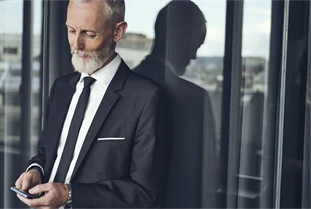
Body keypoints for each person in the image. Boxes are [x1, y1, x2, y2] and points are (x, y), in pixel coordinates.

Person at [14, 0, 171, 209]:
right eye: (71, 30)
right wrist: (35, 170)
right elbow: (46, 152)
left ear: (118, 31)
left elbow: (145, 194)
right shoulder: (61, 88)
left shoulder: (145, 98)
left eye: (89, 34)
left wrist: (68, 195)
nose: (76, 44)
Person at [134, 1, 219, 209]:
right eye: (196, 45)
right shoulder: (195, 100)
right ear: (184, 38)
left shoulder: (116, 86)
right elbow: (205, 179)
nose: (194, 56)